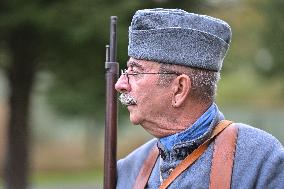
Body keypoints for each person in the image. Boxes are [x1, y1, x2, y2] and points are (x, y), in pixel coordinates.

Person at [115, 8, 284, 189]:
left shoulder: (261, 160)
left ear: (179, 89)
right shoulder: (128, 170)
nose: (120, 84)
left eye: (136, 72)